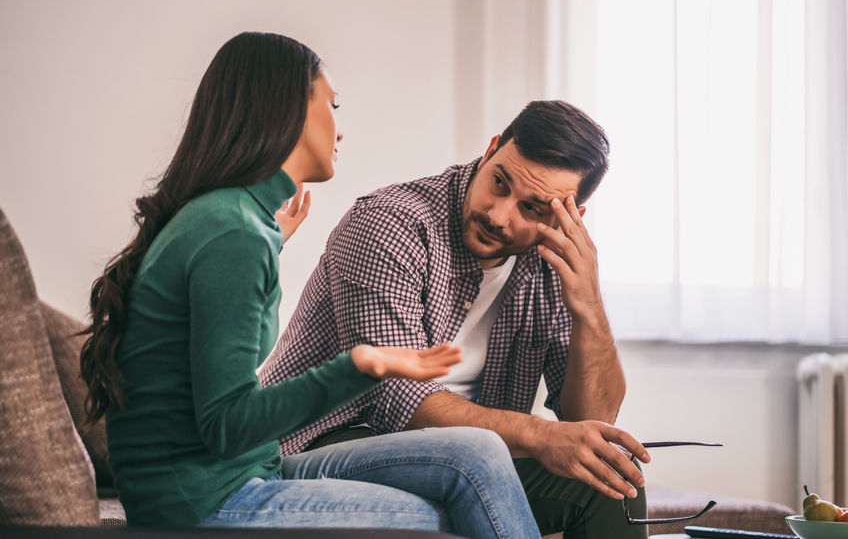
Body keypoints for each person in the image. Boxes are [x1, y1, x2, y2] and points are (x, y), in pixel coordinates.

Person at [78, 31, 542, 538]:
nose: (340, 131)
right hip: (204, 501)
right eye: (333, 105)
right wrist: (360, 366)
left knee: (479, 452)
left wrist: (270, 245)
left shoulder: (232, 222)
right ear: (287, 110)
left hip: (241, 474)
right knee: (453, 517)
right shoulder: (231, 232)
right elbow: (229, 424)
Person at [258, 99, 653, 539]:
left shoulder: (550, 264)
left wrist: (589, 306)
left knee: (613, 480)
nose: (499, 215)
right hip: (320, 446)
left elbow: (592, 420)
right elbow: (397, 402)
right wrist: (539, 436)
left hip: (471, 462)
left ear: (569, 218)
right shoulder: (390, 224)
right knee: (473, 457)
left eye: (533, 209)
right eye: (499, 183)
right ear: (490, 150)